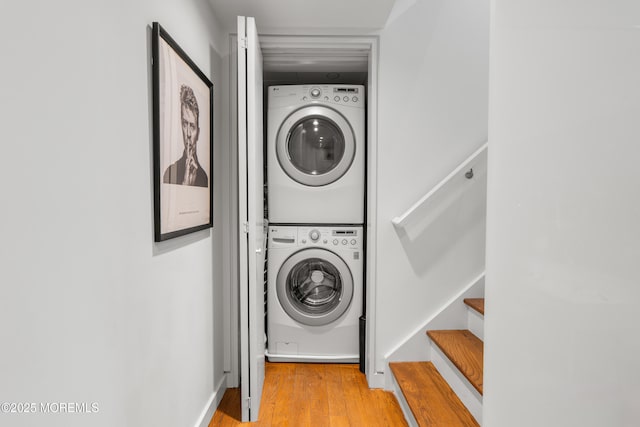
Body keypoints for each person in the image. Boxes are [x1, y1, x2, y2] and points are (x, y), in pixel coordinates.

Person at [163, 85, 208, 187]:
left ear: (198, 133)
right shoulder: (169, 173)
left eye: (192, 126)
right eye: (184, 124)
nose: (188, 133)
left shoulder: (204, 178)